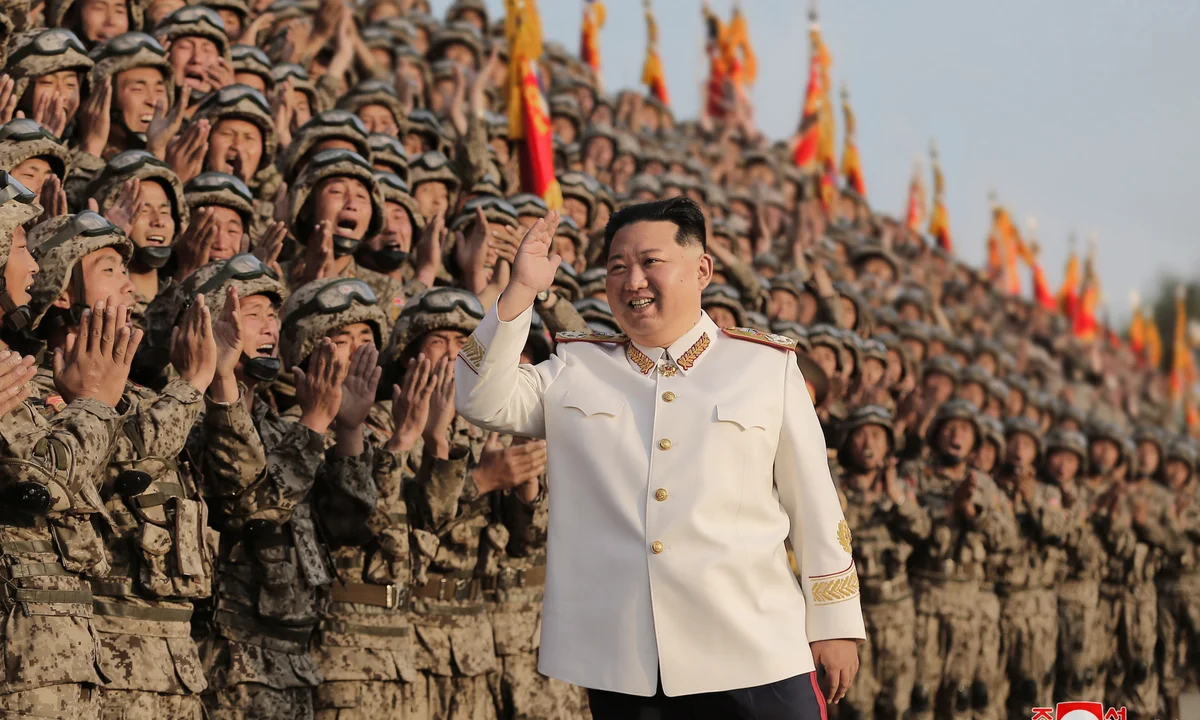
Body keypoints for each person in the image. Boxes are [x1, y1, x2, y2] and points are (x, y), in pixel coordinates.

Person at [455, 197, 864, 719]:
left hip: (755, 647)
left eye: (651, 262)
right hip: (629, 663)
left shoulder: (766, 367)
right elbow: (480, 398)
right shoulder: (576, 368)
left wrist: (835, 624)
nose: (633, 281)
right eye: (618, 267)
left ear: (702, 270)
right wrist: (520, 291)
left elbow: (816, 506)